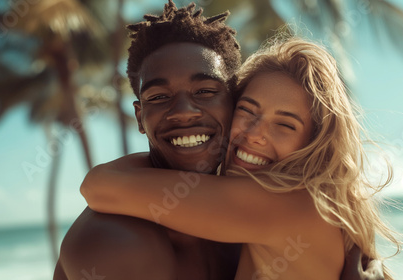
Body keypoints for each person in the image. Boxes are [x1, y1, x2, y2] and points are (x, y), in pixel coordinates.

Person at [54, 1, 386, 279]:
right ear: (139, 117)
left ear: (315, 139)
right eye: (248, 111)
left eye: (285, 125)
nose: (255, 134)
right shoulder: (123, 239)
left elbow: (100, 185)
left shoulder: (291, 205)